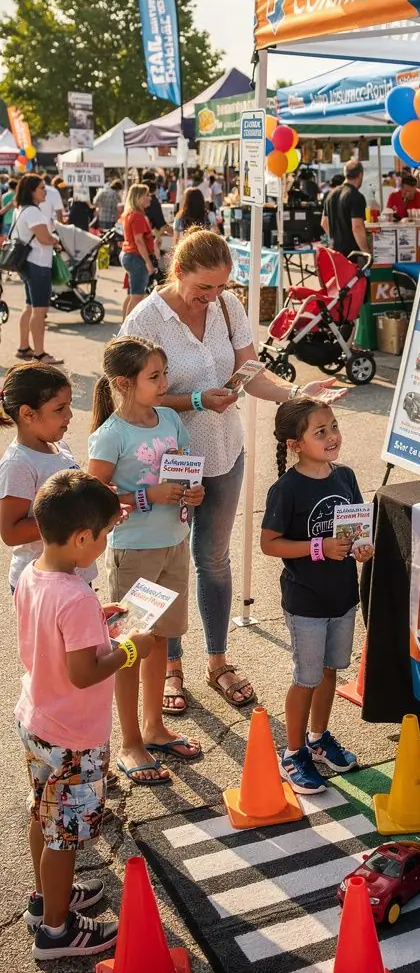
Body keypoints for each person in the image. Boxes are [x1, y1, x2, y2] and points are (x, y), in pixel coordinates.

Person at [120, 228, 336, 713]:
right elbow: (133, 396)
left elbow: (250, 373)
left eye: (221, 287)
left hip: (223, 452)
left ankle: (217, 660)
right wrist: (197, 398)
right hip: (167, 459)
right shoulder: (146, 318)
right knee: (167, 564)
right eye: (204, 288)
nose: (212, 297)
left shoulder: (228, 307)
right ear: (178, 273)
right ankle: (172, 667)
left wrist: (299, 396)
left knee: (212, 560)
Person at [14, 469, 153, 959]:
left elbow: (57, 641)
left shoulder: (36, 574)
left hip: (37, 720)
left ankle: (45, 898)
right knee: (65, 835)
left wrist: (100, 618)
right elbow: (83, 672)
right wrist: (132, 651)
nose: (104, 543)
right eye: (104, 535)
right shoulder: (74, 595)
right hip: (74, 735)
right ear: (80, 537)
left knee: (43, 815)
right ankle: (56, 930)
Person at [88, 338, 204, 785]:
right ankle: (130, 742)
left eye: (163, 373)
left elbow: (188, 474)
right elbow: (93, 501)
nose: (164, 383)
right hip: (134, 552)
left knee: (158, 642)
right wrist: (146, 495)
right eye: (153, 377)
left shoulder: (172, 419)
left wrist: (195, 492)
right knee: (132, 649)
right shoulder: (112, 434)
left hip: (175, 543)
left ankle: (154, 728)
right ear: (123, 383)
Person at [260, 398, 372, 794]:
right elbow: (269, 544)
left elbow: (357, 528)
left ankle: (319, 738)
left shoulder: (345, 476)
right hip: (306, 600)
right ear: (295, 444)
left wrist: (362, 547)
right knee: (306, 677)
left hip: (342, 595)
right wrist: (318, 548)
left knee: (329, 671)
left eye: (334, 426)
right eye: (319, 431)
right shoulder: (286, 489)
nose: (332, 436)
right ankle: (293, 754)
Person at [0, 363, 94, 593]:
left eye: (69, 406)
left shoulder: (59, 446)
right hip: (41, 583)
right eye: (60, 409)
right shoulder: (19, 464)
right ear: (28, 414)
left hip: (75, 574)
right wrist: (71, 518)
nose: (70, 415)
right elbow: (11, 532)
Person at [12, 174, 62, 364]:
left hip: (27, 263)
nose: (45, 191)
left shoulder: (22, 209)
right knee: (39, 311)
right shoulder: (34, 212)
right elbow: (44, 238)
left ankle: (24, 347)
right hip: (38, 263)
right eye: (41, 188)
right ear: (31, 191)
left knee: (30, 307)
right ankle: (40, 353)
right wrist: (56, 240)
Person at [121, 183, 157, 320]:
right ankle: (129, 330)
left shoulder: (130, 214)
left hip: (130, 255)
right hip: (137, 257)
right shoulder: (137, 216)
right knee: (137, 296)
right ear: (139, 197)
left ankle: (124, 326)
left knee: (132, 294)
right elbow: (139, 240)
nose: (149, 198)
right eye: (146, 195)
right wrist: (148, 262)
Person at [322, 161, 368, 257]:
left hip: (335, 250)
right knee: (355, 273)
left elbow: (324, 223)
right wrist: (366, 251)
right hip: (352, 253)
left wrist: (336, 238)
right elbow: (357, 227)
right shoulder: (356, 196)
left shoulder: (330, 194)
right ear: (360, 175)